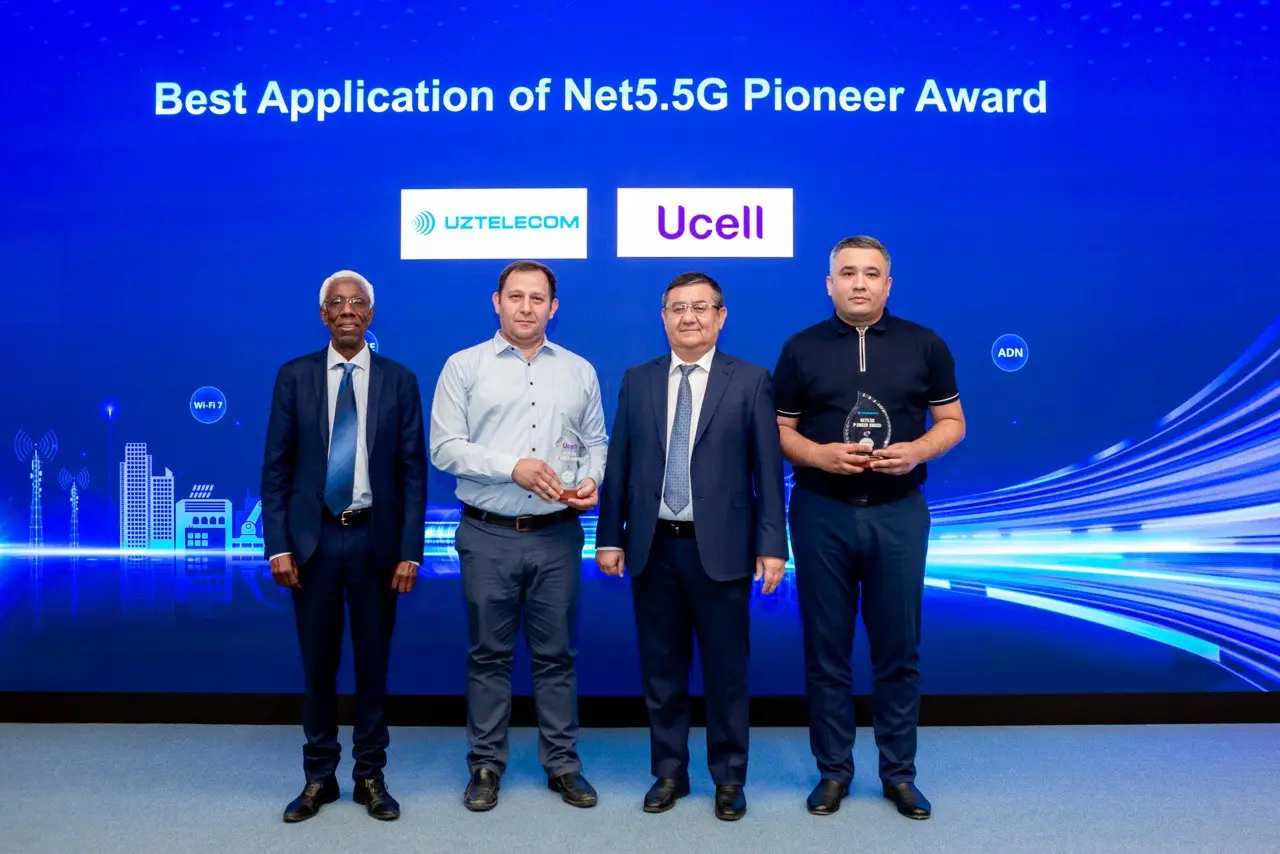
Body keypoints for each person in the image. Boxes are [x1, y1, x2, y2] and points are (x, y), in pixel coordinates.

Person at [773, 236, 965, 820]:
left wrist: (917, 451)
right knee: (825, 651)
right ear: (829, 284)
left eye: (871, 273)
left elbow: (952, 421)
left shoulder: (925, 344)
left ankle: (899, 775)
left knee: (898, 650)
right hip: (820, 512)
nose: (860, 283)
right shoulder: (800, 348)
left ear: (888, 283)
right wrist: (818, 455)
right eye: (848, 273)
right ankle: (833, 772)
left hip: (898, 513)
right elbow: (779, 430)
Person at [596, 272, 787, 821]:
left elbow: (767, 471)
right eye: (678, 308)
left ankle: (729, 779)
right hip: (653, 548)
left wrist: (772, 545)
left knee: (727, 673)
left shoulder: (750, 380)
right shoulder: (637, 379)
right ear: (663, 318)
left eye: (701, 307)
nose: (689, 317)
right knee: (662, 669)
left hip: (722, 551)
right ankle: (669, 773)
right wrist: (609, 537)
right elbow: (619, 465)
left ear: (721, 317)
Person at [429, 260, 608, 812]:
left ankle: (563, 765)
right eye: (515, 296)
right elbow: (444, 448)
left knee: (557, 656)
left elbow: (596, 441)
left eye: (537, 298)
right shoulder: (463, 366)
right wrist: (514, 467)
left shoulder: (579, 370)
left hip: (557, 535)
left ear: (553, 307)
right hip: (488, 534)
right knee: (489, 656)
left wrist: (593, 479)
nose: (526, 307)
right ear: (497, 302)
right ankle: (485, 766)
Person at [261, 269, 427, 823]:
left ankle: (370, 777)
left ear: (371, 315)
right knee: (318, 666)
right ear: (324, 315)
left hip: (377, 541)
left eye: (357, 302)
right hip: (313, 544)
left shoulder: (400, 380)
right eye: (338, 302)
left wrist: (409, 551)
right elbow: (276, 468)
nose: (348, 310)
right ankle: (319, 777)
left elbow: (413, 474)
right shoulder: (294, 376)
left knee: (373, 666)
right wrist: (278, 545)